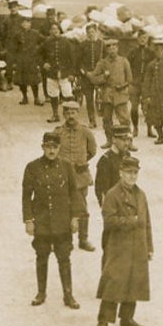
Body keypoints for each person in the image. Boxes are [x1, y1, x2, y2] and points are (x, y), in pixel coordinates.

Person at [22, 131, 84, 309]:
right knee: (41, 257)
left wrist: (74, 218)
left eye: (55, 147)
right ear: (42, 147)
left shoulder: (66, 166)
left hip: (62, 222)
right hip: (42, 222)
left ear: (59, 148)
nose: (51, 150)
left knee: (64, 258)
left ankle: (68, 295)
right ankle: (41, 293)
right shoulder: (32, 167)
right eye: (48, 147)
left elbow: (74, 192)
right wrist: (29, 220)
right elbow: (26, 197)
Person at [95, 156, 153, 326]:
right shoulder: (112, 195)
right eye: (128, 172)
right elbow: (109, 222)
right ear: (121, 173)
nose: (132, 176)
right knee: (114, 282)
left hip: (138, 245)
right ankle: (103, 321)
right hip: (119, 247)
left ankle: (127, 318)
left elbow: (147, 222)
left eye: (135, 173)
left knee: (134, 281)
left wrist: (149, 246)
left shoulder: (141, 194)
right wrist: (131, 221)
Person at [54, 101, 99, 252]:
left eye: (73, 113)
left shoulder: (86, 132)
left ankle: (83, 239)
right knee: (61, 208)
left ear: (78, 114)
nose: (71, 116)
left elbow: (92, 151)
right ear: (64, 115)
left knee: (82, 208)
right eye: (67, 113)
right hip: (63, 177)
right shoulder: (58, 132)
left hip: (80, 176)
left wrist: (81, 161)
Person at [91, 39, 134, 143]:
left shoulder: (124, 61)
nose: (112, 50)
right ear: (106, 50)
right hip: (107, 94)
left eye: (114, 48)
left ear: (117, 48)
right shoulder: (102, 63)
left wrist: (122, 85)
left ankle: (128, 142)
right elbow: (93, 78)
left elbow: (129, 79)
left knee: (124, 119)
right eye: (109, 48)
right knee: (106, 119)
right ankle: (109, 140)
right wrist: (104, 77)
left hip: (121, 94)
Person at [94, 125, 136, 217]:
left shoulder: (127, 155)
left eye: (128, 139)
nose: (126, 143)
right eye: (123, 140)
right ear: (114, 139)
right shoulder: (105, 160)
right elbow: (101, 190)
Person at [141, 38, 163, 144]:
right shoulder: (151, 65)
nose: (158, 53)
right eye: (156, 50)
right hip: (155, 95)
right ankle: (160, 136)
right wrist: (146, 96)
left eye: (161, 50)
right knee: (155, 117)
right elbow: (147, 81)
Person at [11, 15, 44, 104]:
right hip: (21, 60)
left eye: (28, 22)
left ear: (30, 24)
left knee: (34, 80)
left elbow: (44, 42)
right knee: (22, 81)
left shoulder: (35, 33)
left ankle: (36, 98)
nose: (26, 24)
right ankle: (24, 97)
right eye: (24, 22)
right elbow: (14, 48)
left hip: (31, 60)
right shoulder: (18, 35)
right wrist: (15, 60)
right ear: (21, 24)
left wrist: (37, 50)